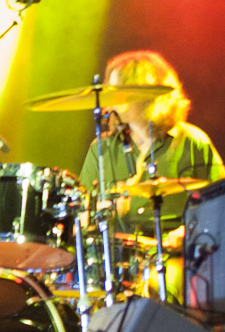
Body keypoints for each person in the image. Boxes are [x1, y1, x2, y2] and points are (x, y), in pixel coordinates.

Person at [78, 50, 224, 301]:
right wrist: (97, 213)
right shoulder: (101, 149)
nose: (111, 99)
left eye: (118, 89)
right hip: (116, 262)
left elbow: (221, 205)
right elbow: (80, 217)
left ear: (145, 93)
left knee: (160, 288)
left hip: (178, 259)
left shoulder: (192, 143)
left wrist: (187, 235)